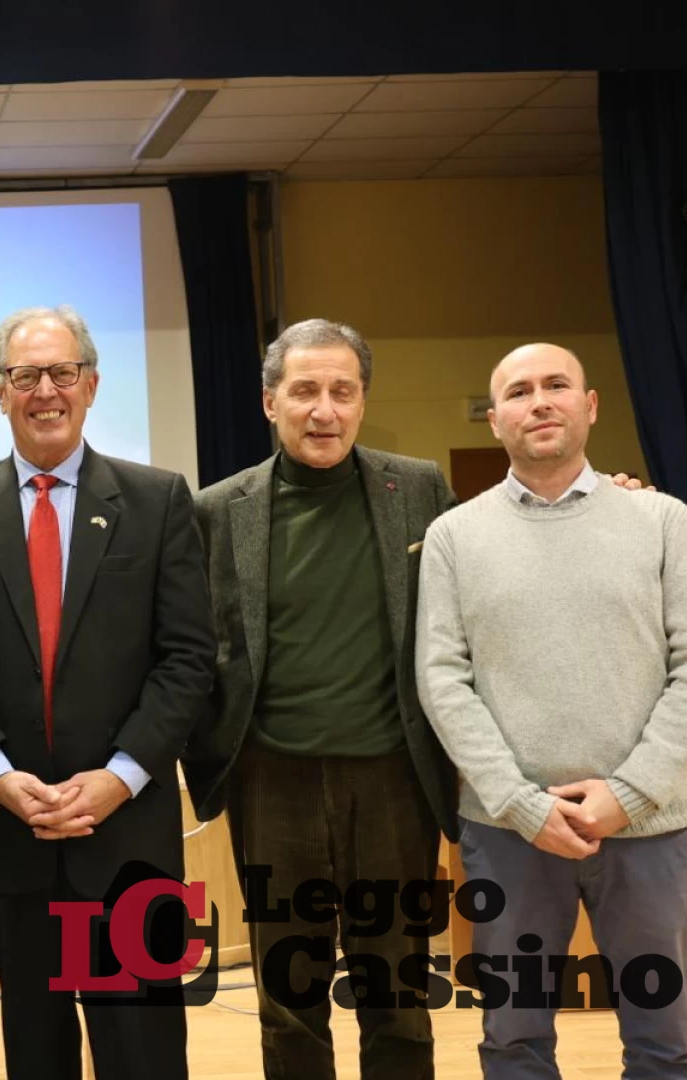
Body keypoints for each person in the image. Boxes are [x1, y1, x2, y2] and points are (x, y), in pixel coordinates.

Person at [416, 343, 687, 1078]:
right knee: (514, 1041)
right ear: (495, 419)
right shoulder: (453, 537)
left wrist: (627, 795)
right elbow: (441, 681)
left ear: (589, 406)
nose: (540, 401)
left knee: (666, 1040)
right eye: (520, 391)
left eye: (557, 385)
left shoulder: (664, 521)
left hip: (650, 828)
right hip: (508, 832)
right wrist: (523, 805)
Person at [0, 305, 216, 1080]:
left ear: (90, 383)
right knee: (36, 1056)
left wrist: (119, 779)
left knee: (141, 1058)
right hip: (12, 840)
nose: (44, 390)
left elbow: (187, 660)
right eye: (25, 376)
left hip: (124, 840)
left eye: (61, 373)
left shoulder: (156, 502)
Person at [183, 318, 461, 1078]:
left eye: (343, 391)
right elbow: (199, 648)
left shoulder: (422, 488)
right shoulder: (217, 510)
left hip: (395, 780)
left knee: (399, 992)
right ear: (270, 402)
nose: (324, 410)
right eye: (304, 391)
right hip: (274, 785)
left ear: (363, 400)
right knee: (289, 996)